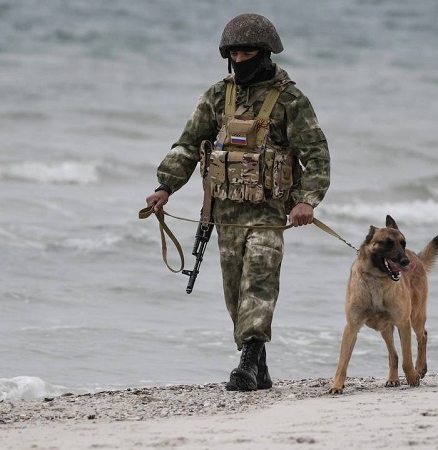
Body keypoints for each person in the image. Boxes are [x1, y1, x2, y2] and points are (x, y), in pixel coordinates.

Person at [145, 13, 330, 391]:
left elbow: (317, 155)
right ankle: (258, 366)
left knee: (259, 282)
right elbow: (187, 143)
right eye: (235, 53)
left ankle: (246, 362)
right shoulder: (217, 96)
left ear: (264, 54)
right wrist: (165, 186)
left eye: (248, 52)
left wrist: (306, 201)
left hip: (268, 214)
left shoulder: (290, 100)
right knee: (235, 293)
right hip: (225, 213)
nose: (240, 59)